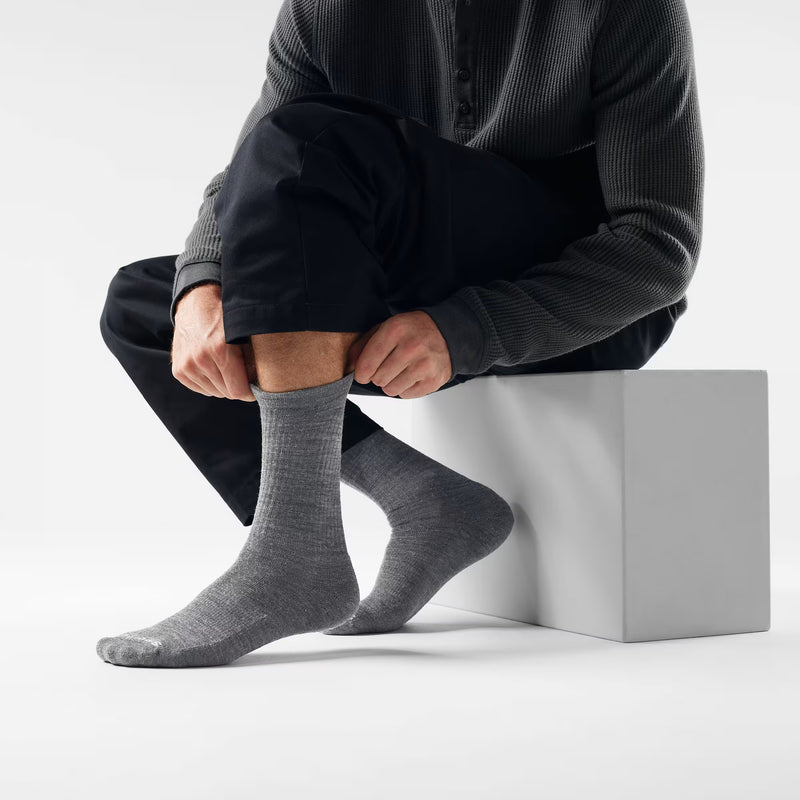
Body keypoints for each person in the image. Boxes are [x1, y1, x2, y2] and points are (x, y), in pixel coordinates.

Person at [96, 0, 704, 667]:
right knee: (150, 300)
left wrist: (470, 329)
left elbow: (657, 244)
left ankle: (293, 553)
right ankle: (424, 498)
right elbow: (252, 174)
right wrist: (205, 281)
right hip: (414, 286)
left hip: (578, 308)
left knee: (307, 139)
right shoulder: (323, 9)